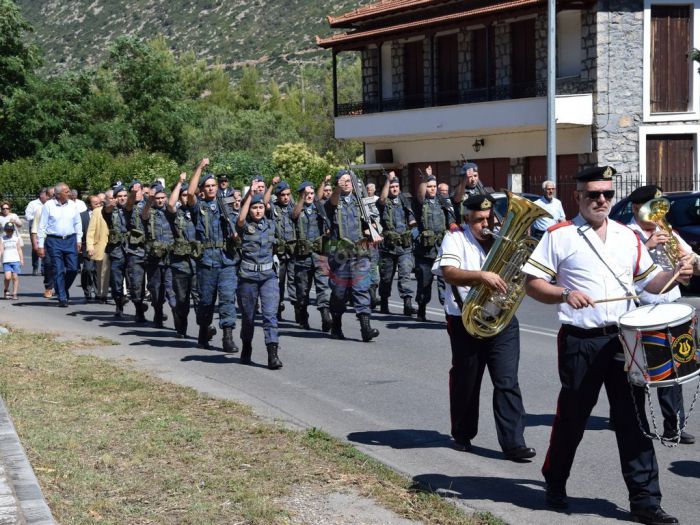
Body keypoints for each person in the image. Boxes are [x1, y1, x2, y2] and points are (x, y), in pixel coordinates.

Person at [522, 165, 693, 524]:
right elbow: (533, 283)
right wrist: (565, 293)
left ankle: (646, 501)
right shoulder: (559, 235)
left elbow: (649, 285)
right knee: (572, 419)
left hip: (623, 339)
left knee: (634, 422)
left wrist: (677, 273)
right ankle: (555, 482)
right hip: (580, 342)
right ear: (578, 197)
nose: (601, 200)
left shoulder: (626, 236)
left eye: (607, 194)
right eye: (593, 194)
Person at [433, 194, 535, 460]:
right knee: (467, 380)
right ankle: (463, 434)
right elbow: (449, 272)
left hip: (502, 319)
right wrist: (481, 276)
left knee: (507, 381)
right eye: (479, 220)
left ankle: (514, 443)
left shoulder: (502, 241)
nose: (485, 224)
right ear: (468, 218)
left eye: (489, 218)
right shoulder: (455, 238)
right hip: (466, 319)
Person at [623, 184, 699, 445]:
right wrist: (646, 245)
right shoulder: (626, 235)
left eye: (659, 208)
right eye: (650, 209)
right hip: (643, 308)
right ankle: (635, 421)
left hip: (671, 307)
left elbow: (690, 257)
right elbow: (622, 271)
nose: (657, 215)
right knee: (640, 370)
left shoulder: (666, 230)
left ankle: (673, 425)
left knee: (672, 369)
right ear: (635, 209)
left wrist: (688, 261)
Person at [187, 159, 239, 353]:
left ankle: (228, 337)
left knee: (227, 298)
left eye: (213, 186)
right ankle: (203, 331)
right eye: (207, 186)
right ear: (203, 189)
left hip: (225, 259)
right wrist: (200, 167)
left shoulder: (226, 206)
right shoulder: (197, 207)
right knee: (206, 301)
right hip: (207, 261)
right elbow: (190, 194)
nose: (211, 189)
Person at [324, 169, 380, 342]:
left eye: (349, 180)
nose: (346, 183)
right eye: (343, 180)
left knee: (361, 288)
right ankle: (337, 325)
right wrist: (337, 189)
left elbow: (372, 221)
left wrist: (372, 230)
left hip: (360, 252)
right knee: (339, 292)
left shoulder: (361, 202)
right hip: (340, 254)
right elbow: (332, 202)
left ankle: (366, 328)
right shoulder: (333, 201)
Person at [236, 187, 282, 369]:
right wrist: (248, 198)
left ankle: (273, 356)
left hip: (268, 277)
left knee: (270, 315)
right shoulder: (244, 226)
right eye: (254, 208)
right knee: (248, 317)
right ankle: (246, 346)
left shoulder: (271, 224)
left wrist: (268, 189)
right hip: (248, 277)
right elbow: (240, 219)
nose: (257, 211)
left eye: (260, 207)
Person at [413, 165, 453, 320]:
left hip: (442, 249)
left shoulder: (442, 202)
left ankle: (448, 313)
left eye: (434, 186)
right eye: (429, 186)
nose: (432, 189)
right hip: (425, 251)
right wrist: (425, 178)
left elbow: (452, 222)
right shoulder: (420, 204)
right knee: (424, 282)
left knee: (445, 283)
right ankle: (421, 309)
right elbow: (420, 193)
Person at [291, 180, 332, 331]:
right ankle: (303, 316)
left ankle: (325, 316)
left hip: (320, 255)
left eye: (311, 193)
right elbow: (294, 216)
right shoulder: (297, 208)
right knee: (302, 291)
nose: (309, 196)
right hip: (303, 258)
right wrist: (302, 198)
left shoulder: (319, 208)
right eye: (306, 193)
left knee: (323, 288)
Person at [377, 171, 417, 316]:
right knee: (386, 277)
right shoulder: (383, 202)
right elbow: (381, 199)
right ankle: (384, 302)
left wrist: (413, 223)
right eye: (392, 186)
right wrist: (388, 180)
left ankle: (407, 304)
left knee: (405, 274)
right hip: (388, 247)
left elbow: (411, 218)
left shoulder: (404, 201)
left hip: (404, 246)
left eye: (396, 186)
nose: (394, 188)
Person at [37, 182, 82, 307]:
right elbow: (42, 226)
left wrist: (79, 239)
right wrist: (40, 245)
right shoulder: (49, 206)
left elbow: (77, 223)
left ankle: (62, 288)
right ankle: (62, 297)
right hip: (53, 240)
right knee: (58, 269)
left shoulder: (73, 205)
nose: (70, 193)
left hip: (70, 239)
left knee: (73, 269)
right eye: (66, 191)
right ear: (58, 194)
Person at [142, 182, 175, 328]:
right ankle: (158, 311)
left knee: (171, 289)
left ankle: (178, 318)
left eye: (162, 198)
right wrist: (149, 199)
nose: (160, 201)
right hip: (154, 258)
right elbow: (144, 215)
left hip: (170, 257)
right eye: (158, 198)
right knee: (155, 288)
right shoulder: (150, 212)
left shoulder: (171, 212)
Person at [266, 178, 297, 320]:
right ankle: (277, 310)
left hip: (293, 252)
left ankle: (300, 313)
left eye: (288, 194)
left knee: (295, 283)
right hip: (278, 253)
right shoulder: (273, 208)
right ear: (278, 196)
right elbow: (264, 202)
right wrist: (272, 185)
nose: (286, 197)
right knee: (278, 283)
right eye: (283, 195)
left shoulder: (293, 207)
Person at [31, 186, 56, 298]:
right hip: (46, 240)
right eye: (51, 195)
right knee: (48, 264)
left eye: (55, 195)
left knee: (62, 266)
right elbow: (35, 229)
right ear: (46, 196)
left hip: (61, 240)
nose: (53, 198)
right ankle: (49, 287)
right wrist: (36, 244)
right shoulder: (40, 209)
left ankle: (60, 287)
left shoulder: (65, 207)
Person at [86, 192, 110, 303]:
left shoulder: (120, 210)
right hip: (102, 246)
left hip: (118, 245)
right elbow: (91, 231)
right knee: (102, 272)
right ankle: (102, 294)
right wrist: (90, 246)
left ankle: (121, 294)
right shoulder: (97, 212)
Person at [79, 195, 100, 302]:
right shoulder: (82, 216)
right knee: (87, 269)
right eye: (95, 203)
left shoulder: (103, 214)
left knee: (98, 270)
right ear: (89, 205)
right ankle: (87, 291)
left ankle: (98, 293)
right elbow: (79, 231)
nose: (98, 205)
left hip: (100, 247)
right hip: (87, 246)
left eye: (99, 203)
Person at [25, 189, 48, 275]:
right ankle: (35, 266)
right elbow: (27, 216)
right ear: (42, 195)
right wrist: (37, 217)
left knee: (45, 247)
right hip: (34, 228)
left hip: (45, 229)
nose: (48, 197)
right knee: (36, 248)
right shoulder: (33, 204)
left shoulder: (49, 204)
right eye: (47, 195)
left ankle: (43, 268)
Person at [1, 223, 24, 300]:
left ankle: (14, 293)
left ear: (13, 231)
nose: (9, 232)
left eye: (11, 230)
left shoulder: (16, 239)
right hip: (6, 260)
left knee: (15, 277)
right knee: (7, 277)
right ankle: (6, 290)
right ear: (5, 230)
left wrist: (21, 259)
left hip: (15, 260)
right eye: (7, 230)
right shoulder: (2, 238)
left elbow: (19, 249)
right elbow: (1, 250)